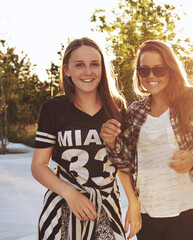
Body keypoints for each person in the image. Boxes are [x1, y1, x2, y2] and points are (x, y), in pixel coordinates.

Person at [100, 40, 193, 240]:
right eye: (144, 70)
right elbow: (127, 164)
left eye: (158, 70)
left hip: (190, 210)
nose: (151, 76)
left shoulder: (192, 99)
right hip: (149, 213)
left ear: (171, 70)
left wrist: (192, 158)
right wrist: (111, 143)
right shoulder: (135, 111)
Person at [31, 37, 142, 240]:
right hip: (64, 204)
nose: (88, 72)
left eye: (94, 64)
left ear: (102, 68)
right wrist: (70, 194)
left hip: (106, 204)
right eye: (79, 65)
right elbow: (39, 165)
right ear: (67, 70)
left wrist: (133, 203)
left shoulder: (116, 106)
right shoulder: (54, 108)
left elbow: (123, 163)